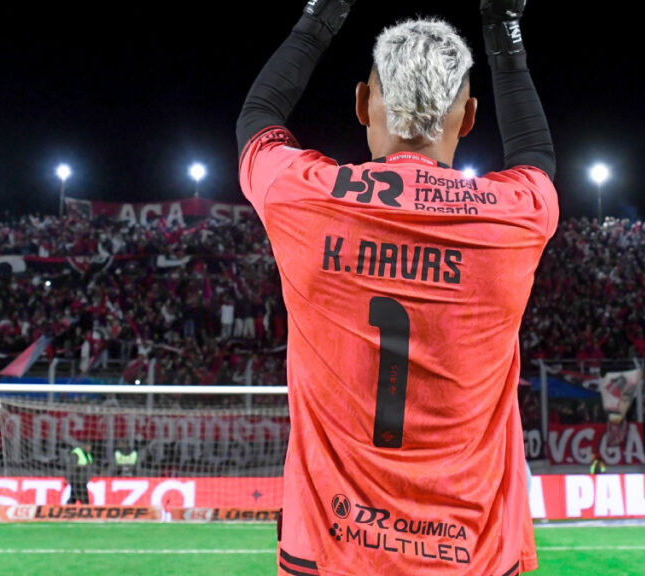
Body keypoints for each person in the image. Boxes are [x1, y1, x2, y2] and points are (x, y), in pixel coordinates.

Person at [237, 1, 556, 573]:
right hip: (471, 554)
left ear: (362, 103)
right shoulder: (516, 215)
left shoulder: (303, 195)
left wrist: (320, 15)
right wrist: (503, 30)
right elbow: (535, 154)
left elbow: (258, 116)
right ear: (470, 116)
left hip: (329, 553)